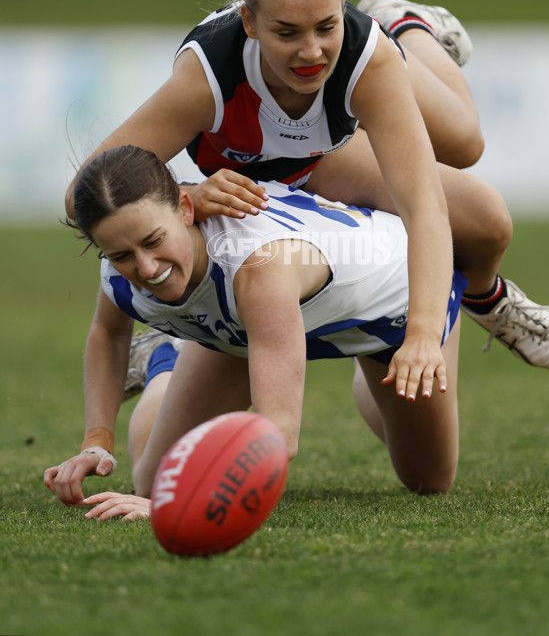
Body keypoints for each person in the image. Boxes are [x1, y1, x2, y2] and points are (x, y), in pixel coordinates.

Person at [63, 0, 549, 372]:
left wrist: (423, 333)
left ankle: (408, 25)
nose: (311, 52)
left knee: (479, 189)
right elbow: (81, 191)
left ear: (342, 12)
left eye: (327, 26)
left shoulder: (365, 59)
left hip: (320, 156)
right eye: (287, 32)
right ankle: (171, 330)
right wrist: (188, 198)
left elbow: (423, 207)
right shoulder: (209, 76)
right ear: (249, 22)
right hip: (261, 184)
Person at [44, 145, 466, 519]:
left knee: (429, 479)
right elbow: (109, 332)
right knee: (155, 483)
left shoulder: (258, 269)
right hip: (249, 327)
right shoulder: (121, 267)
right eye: (122, 254)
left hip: (394, 312)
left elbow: (278, 434)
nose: (147, 268)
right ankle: (165, 360)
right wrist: (96, 442)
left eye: (154, 241)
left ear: (187, 210)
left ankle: (369, 378)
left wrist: (178, 506)